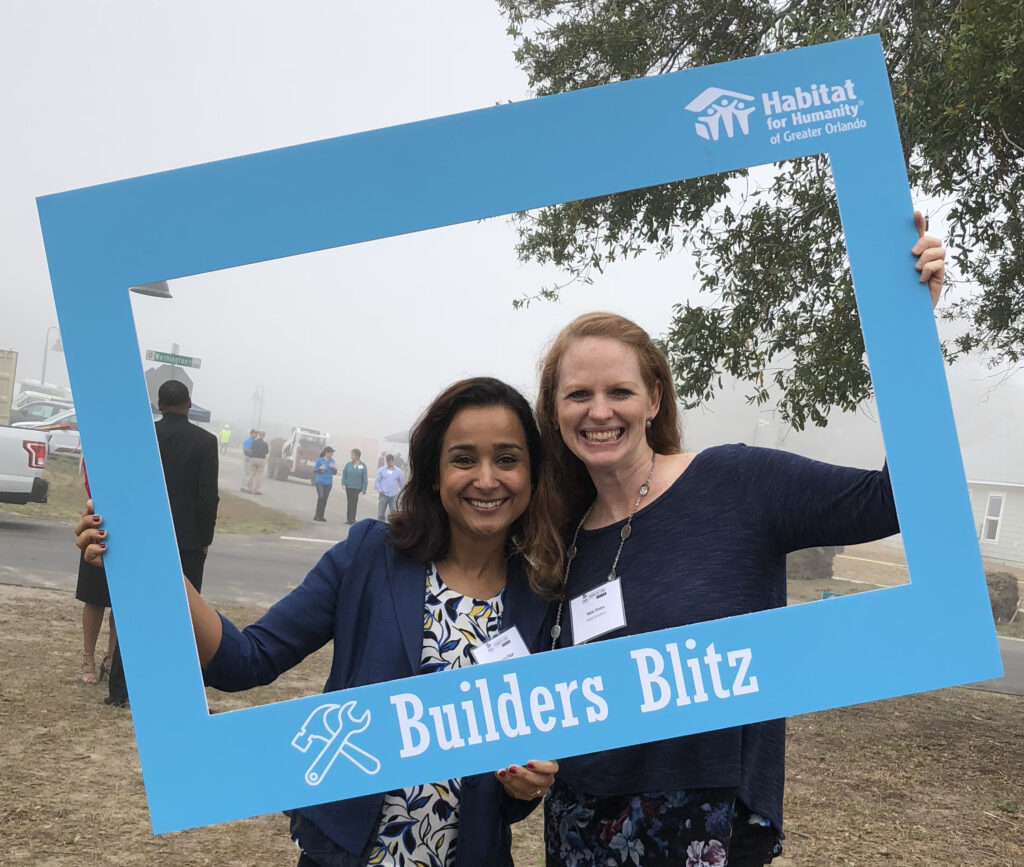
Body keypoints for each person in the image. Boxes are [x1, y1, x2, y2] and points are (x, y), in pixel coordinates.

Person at [535, 215, 946, 866]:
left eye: (619, 390)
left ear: (654, 399)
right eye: (578, 393)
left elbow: (899, 497)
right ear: (554, 411)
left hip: (704, 821)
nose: (599, 410)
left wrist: (907, 335)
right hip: (580, 824)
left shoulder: (738, 482)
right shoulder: (556, 536)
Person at [76, 377, 562, 867]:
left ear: (531, 473)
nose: (486, 478)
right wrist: (154, 565)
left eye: (506, 459)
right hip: (346, 852)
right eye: (462, 458)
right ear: (434, 473)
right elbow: (245, 661)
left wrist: (527, 786)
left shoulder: (542, 599)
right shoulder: (371, 556)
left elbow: (510, 786)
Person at [340, 448, 368, 525]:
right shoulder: (348, 464)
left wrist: (364, 488)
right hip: (349, 486)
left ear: (357, 456)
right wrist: (343, 483)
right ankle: (348, 518)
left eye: (352, 455)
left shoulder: (362, 465)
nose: (351, 456)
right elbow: (344, 474)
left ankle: (353, 518)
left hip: (357, 487)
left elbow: (364, 477)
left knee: (354, 502)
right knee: (349, 502)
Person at [375, 453, 404, 521]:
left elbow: (401, 484)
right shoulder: (381, 470)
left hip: (393, 495)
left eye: (390, 461)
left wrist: (402, 493)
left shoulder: (398, 471)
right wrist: (380, 489)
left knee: (394, 513)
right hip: (383, 495)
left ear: (393, 461)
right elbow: (377, 481)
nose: (389, 463)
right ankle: (380, 526)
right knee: (381, 513)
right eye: (387, 461)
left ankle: (394, 526)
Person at [313, 446, 337, 522]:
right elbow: (315, 470)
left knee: (325, 499)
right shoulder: (320, 460)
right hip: (320, 482)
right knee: (321, 497)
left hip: (328, 483)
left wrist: (334, 468)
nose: (332, 454)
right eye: (331, 453)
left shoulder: (332, 461)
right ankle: (317, 515)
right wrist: (320, 469)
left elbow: (335, 473)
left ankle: (321, 516)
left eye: (332, 453)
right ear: (327, 452)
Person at [245, 430, 269, 495]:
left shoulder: (254, 442)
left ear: (259, 435)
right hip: (261, 460)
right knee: (259, 475)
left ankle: (249, 489)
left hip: (254, 458)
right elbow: (267, 452)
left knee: (252, 474)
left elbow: (251, 449)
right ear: (264, 436)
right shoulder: (265, 444)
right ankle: (256, 490)